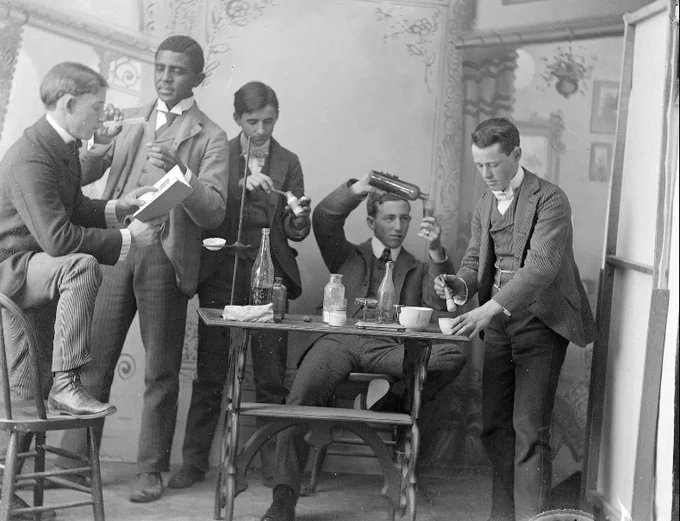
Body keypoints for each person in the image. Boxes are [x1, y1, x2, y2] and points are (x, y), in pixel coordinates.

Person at [56, 35, 229, 503]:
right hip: (116, 247)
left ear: (198, 77)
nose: (165, 78)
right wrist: (96, 144)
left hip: (164, 258)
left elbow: (213, 211)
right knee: (91, 361)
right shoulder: (130, 119)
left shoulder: (211, 136)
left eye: (176, 71)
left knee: (160, 372)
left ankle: (150, 471)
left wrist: (179, 171)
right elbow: (84, 178)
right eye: (160, 68)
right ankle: (73, 463)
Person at [0, 61, 163, 515]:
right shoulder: (32, 156)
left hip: (35, 271)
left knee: (25, 390)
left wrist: (117, 207)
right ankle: (68, 384)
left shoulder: (61, 146)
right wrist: (129, 239)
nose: (102, 117)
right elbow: (59, 239)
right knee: (81, 265)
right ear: (69, 104)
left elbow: (74, 207)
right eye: (94, 108)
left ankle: (8, 491)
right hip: (12, 271)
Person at [260, 172, 466, 521]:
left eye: (404, 218)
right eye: (389, 218)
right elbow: (325, 218)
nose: (398, 226)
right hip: (338, 342)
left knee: (454, 354)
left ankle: (385, 398)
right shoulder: (345, 253)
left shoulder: (415, 267)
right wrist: (359, 188)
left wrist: (436, 251)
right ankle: (283, 498)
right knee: (300, 397)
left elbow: (443, 303)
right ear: (371, 221)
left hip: (388, 348)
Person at [434, 117, 596, 521]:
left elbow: (540, 267)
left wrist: (488, 308)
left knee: (528, 432)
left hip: (541, 323)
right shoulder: (486, 203)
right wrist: (459, 285)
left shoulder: (551, 200)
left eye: (493, 164)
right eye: (479, 165)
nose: (486, 174)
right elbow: (474, 261)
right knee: (494, 427)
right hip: (501, 325)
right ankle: (502, 517)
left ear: (517, 155)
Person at [167, 81, 311, 490]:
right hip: (223, 270)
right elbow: (205, 205)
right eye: (252, 121)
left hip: (270, 275)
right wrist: (238, 187)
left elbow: (294, 230)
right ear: (237, 119)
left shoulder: (289, 161)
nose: (261, 129)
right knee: (211, 374)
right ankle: (194, 463)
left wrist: (299, 216)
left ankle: (271, 466)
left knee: (269, 376)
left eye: (268, 120)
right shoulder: (220, 152)